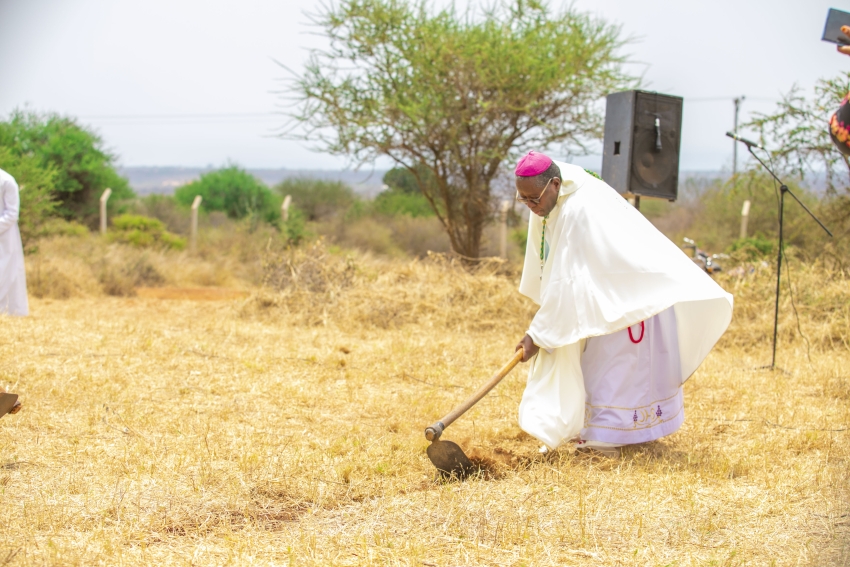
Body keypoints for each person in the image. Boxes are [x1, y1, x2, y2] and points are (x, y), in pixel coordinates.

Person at [512, 151, 732, 457]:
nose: (530, 206)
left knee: (611, 371)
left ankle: (604, 442)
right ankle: (593, 432)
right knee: (596, 367)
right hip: (606, 293)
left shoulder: (578, 208)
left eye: (533, 199)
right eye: (522, 199)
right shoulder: (552, 192)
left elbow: (568, 281)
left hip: (628, 300)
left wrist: (537, 334)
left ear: (555, 184)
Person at [0, 167, 28, 317]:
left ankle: (7, 311)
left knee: (5, 273)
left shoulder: (7, 181)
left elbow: (12, 214)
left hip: (5, 238)